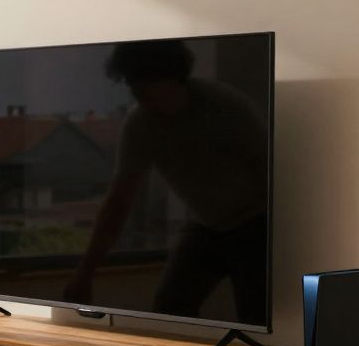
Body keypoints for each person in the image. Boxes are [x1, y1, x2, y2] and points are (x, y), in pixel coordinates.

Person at [63, 39, 269, 325]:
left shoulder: (226, 107)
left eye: (142, 81)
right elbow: (119, 201)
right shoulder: (140, 126)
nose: (135, 91)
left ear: (171, 75)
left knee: (258, 316)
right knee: (169, 311)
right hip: (206, 225)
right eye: (131, 82)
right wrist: (84, 274)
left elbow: (270, 173)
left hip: (257, 224)